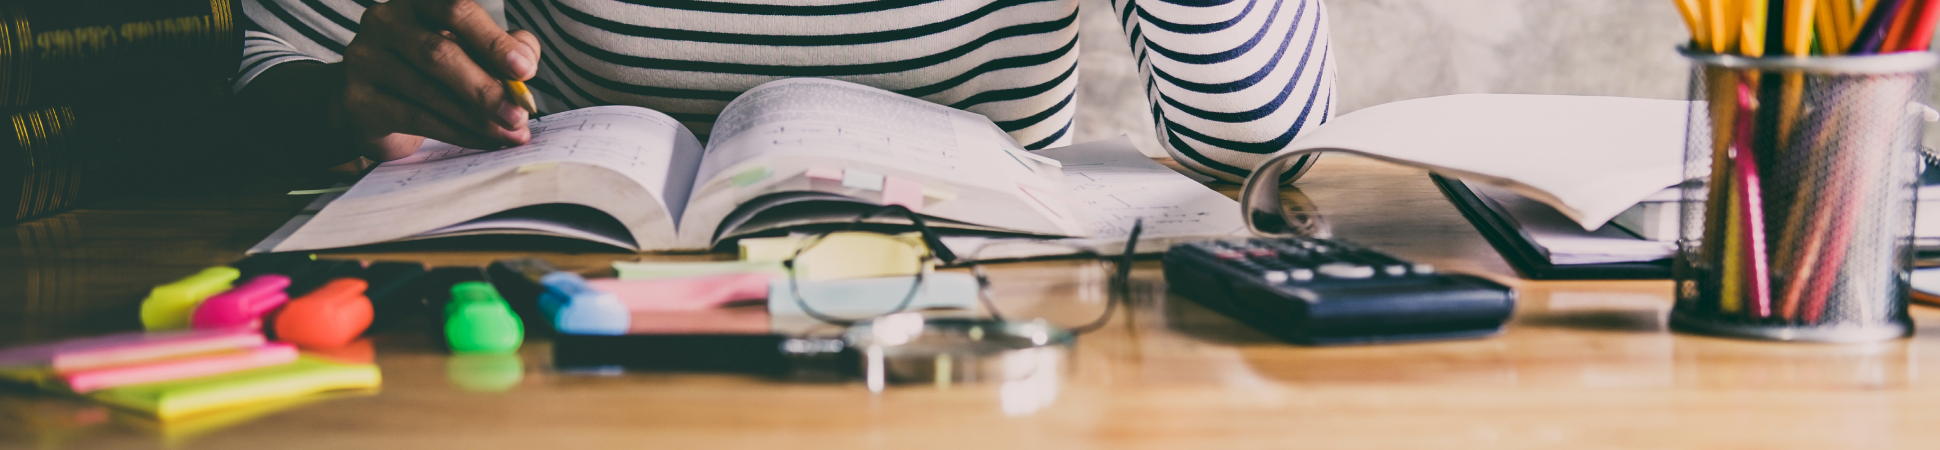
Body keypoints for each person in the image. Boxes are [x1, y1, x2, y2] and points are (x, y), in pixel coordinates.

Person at [235, 0, 1334, 182]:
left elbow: (1265, 148)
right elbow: (272, 71)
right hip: (565, 300)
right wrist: (347, 99)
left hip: (998, 318)